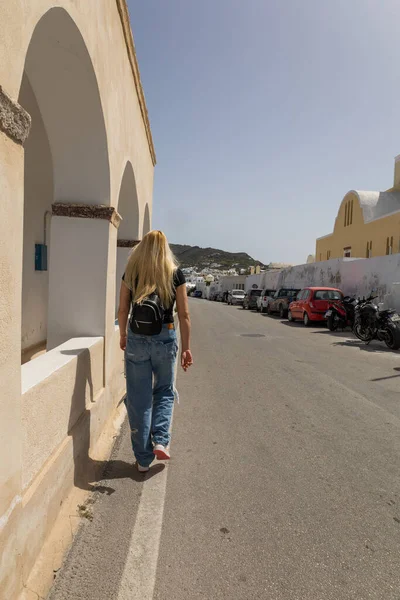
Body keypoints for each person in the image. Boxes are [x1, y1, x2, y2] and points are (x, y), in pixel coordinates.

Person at [118, 230, 193, 472]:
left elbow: (122, 309)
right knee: (164, 391)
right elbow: (184, 314)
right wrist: (187, 348)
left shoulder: (132, 272)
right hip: (165, 337)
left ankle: (142, 459)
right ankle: (161, 441)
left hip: (137, 339)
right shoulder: (174, 273)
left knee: (138, 398)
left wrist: (123, 336)